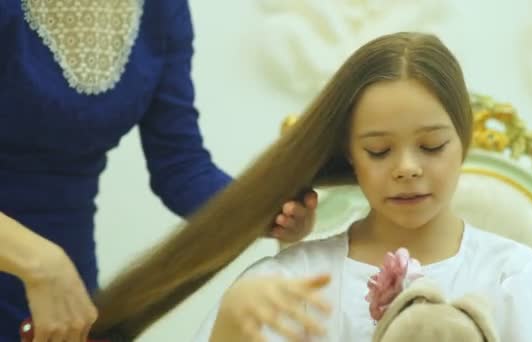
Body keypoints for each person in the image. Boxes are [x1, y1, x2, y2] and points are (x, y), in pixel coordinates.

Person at [186, 32, 532, 341]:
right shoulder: (294, 283)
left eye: (431, 145)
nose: (407, 168)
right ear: (350, 154)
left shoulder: (517, 282)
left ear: (463, 140)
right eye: (379, 150)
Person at [0, 1, 316, 341]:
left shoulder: (163, 10)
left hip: (67, 285)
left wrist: (267, 211)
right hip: (38, 265)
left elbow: (180, 167)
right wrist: (40, 263)